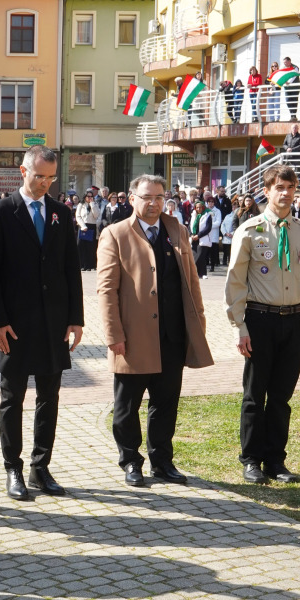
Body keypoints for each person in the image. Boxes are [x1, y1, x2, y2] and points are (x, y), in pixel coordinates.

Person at [225, 165, 300, 484]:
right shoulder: (250, 230)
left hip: (294, 319)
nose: (285, 193)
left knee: (281, 396)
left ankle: (275, 461)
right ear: (266, 191)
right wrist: (239, 326)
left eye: (290, 188)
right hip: (260, 319)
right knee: (255, 394)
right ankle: (251, 459)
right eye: (279, 187)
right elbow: (235, 282)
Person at [0, 145, 84, 501]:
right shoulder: (1, 212)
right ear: (23, 172)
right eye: (39, 176)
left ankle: (41, 467)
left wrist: (76, 318)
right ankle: (14, 468)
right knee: (12, 398)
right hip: (14, 326)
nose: (45, 184)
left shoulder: (60, 213)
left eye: (51, 178)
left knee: (49, 397)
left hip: (53, 323)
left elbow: (72, 268)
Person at [97, 174, 213, 487]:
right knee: (126, 407)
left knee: (166, 404)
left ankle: (162, 462)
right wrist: (114, 335)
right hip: (132, 339)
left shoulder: (177, 229)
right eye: (147, 197)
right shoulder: (115, 234)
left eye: (159, 197)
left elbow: (191, 282)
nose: (154, 203)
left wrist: (198, 323)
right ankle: (131, 461)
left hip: (173, 336)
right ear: (131, 198)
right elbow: (106, 290)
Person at [76, 191, 100, 271]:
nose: (89, 198)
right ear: (85, 197)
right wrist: (83, 226)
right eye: (88, 196)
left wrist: (92, 205)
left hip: (91, 225)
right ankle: (81, 265)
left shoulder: (95, 204)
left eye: (91, 196)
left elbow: (96, 215)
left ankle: (90, 265)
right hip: (83, 226)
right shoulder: (81, 205)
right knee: (81, 246)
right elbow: (78, 216)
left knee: (90, 247)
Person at [189, 199, 213, 279]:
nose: (198, 209)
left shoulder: (207, 215)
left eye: (200, 207)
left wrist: (198, 235)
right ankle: (198, 274)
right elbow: (190, 227)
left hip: (202, 238)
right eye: (197, 208)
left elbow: (208, 228)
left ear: (203, 207)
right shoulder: (193, 215)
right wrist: (191, 234)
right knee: (195, 257)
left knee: (200, 256)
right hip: (194, 239)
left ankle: (203, 273)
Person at [204, 194, 222, 272]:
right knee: (206, 251)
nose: (210, 203)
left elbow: (218, 222)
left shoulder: (217, 211)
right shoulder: (205, 210)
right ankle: (205, 265)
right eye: (209, 202)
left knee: (213, 251)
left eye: (212, 202)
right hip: (206, 233)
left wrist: (210, 226)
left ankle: (212, 266)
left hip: (214, 233)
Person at [281, 56, 300, 121]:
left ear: (289, 61)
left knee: (294, 100)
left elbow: (294, 76)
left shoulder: (295, 67)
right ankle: (291, 113)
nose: (285, 64)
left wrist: (288, 82)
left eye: (286, 62)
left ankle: (294, 115)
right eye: (284, 62)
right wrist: (284, 81)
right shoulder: (283, 68)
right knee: (288, 100)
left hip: (295, 87)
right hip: (287, 88)